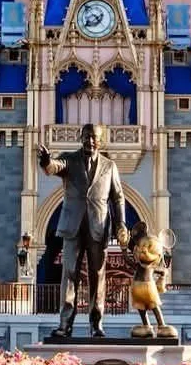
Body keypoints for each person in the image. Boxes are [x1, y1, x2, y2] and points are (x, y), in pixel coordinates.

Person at [38, 122, 130, 340]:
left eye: (94, 137)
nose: (90, 141)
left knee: (98, 276)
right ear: (81, 138)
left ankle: (96, 324)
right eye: (87, 136)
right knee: (69, 274)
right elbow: (54, 167)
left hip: (98, 226)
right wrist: (46, 161)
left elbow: (117, 197)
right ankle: (64, 325)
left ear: (100, 141)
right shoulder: (70, 159)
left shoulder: (109, 166)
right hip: (73, 226)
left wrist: (121, 223)